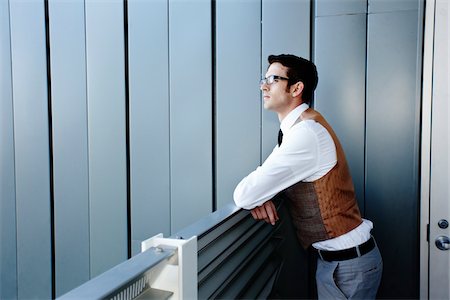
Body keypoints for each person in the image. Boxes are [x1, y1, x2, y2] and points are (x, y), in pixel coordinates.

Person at [233, 54, 382, 299]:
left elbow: (245, 193)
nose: (263, 85)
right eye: (264, 79)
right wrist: (262, 196)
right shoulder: (297, 130)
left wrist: (258, 196)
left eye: (273, 79)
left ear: (296, 88)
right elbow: (262, 184)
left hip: (348, 267)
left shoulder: (306, 134)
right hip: (337, 263)